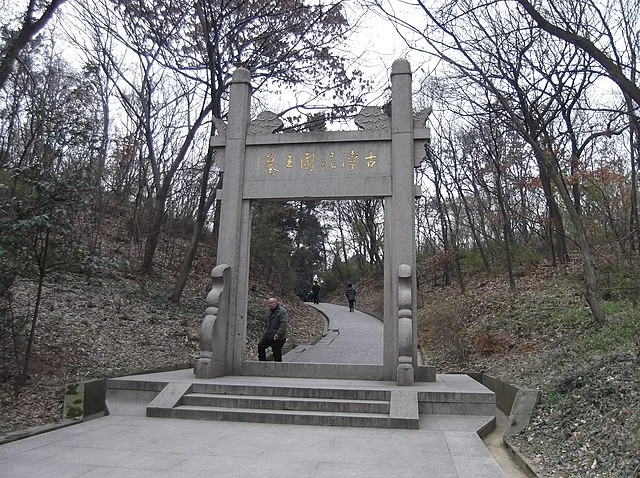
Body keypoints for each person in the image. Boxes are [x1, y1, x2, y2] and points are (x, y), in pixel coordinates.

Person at [258, 297, 289, 362]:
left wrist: (278, 334)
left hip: (278, 337)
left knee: (276, 353)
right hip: (269, 335)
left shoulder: (282, 311)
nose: (270, 305)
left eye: (271, 303)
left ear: (276, 303)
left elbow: (284, 324)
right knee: (261, 346)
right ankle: (262, 363)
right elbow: (267, 323)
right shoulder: (270, 312)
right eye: (269, 303)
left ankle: (278, 369)